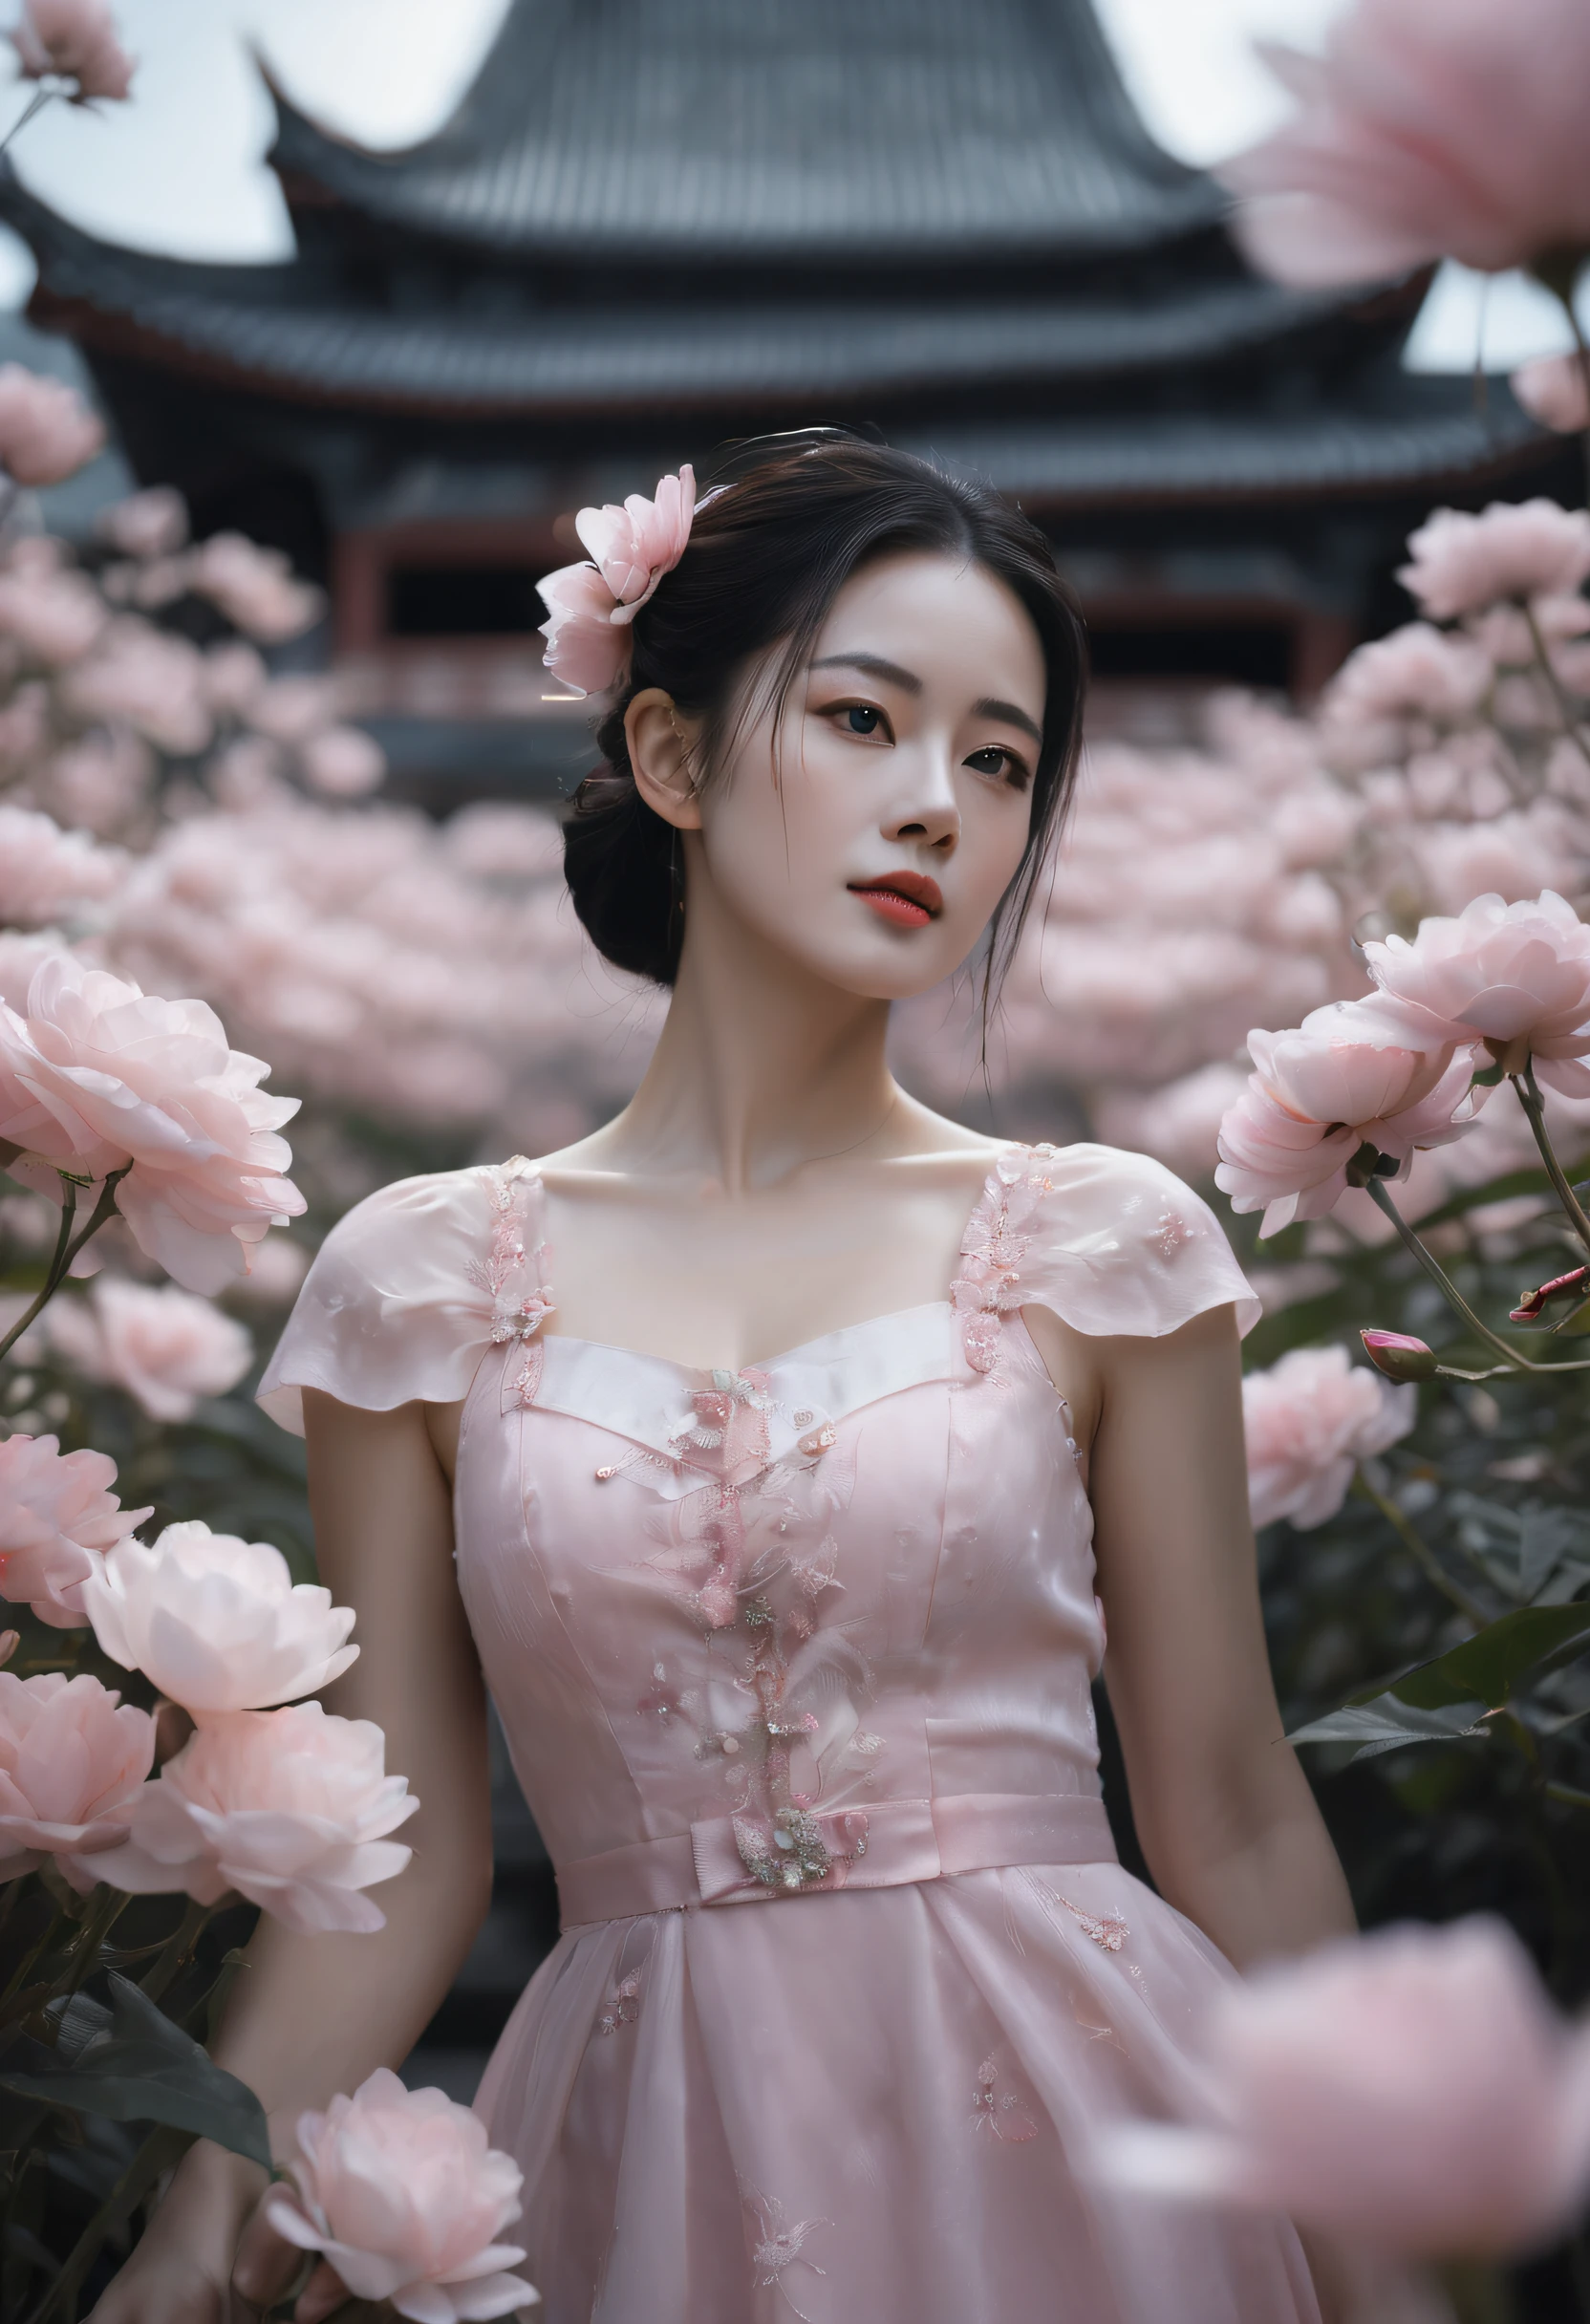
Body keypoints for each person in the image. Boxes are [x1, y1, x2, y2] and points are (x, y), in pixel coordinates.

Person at [92, 436, 1356, 2324]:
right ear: (671, 756)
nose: (936, 804)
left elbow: (1232, 1807)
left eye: (998, 760)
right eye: (864, 718)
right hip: (653, 2119)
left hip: (1086, 2108)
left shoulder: (1105, 1240)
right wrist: (204, 2204)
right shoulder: (423, 1280)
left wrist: (1395, 2259)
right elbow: (409, 1848)